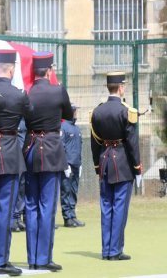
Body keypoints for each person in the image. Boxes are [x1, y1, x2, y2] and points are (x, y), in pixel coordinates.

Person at [0, 49, 33, 276]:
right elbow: (30, 114)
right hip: (10, 153)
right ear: (11, 69)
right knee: (5, 209)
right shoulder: (19, 95)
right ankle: (0, 260)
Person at [24, 51, 73, 272]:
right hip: (51, 149)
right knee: (47, 206)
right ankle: (43, 257)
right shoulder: (57, 90)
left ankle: (33, 257)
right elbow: (69, 114)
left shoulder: (28, 92)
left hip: (32, 148)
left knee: (32, 205)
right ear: (50, 70)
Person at [90, 71, 141, 261]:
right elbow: (132, 142)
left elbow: (95, 143)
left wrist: (97, 166)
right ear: (120, 87)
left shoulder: (97, 111)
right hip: (122, 164)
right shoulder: (127, 111)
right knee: (119, 206)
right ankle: (115, 250)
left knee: (106, 206)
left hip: (104, 162)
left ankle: (106, 250)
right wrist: (137, 167)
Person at [60, 104, 85, 228]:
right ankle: (67, 217)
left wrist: (80, 164)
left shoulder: (76, 128)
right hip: (68, 165)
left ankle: (73, 215)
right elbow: (61, 146)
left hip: (76, 164)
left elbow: (79, 147)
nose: (76, 113)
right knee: (66, 190)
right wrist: (65, 165)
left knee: (74, 191)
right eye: (74, 111)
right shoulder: (63, 127)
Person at [11, 119, 27, 232]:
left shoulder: (25, 120)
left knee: (22, 188)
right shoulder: (14, 119)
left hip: (24, 156)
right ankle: (13, 218)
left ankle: (18, 217)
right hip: (14, 157)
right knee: (15, 188)